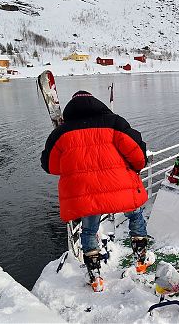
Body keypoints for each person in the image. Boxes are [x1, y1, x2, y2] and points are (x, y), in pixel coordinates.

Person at [41, 91, 148, 289]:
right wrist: (136, 168)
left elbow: (50, 166)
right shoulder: (115, 123)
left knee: (89, 231)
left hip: (86, 194)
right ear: (96, 103)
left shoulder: (61, 133)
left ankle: (96, 276)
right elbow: (138, 154)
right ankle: (141, 261)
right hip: (120, 187)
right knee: (136, 216)